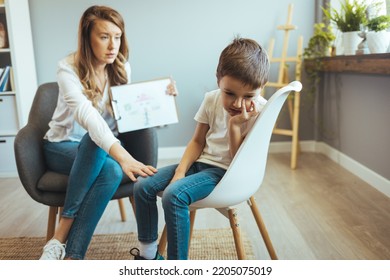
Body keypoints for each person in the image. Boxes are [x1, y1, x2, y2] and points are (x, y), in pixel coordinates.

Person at [39, 5, 176, 260]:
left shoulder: (121, 68)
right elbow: (88, 117)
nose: (113, 45)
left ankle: (70, 254)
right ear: (87, 38)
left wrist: (162, 99)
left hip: (101, 151)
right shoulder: (67, 69)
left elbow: (131, 112)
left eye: (117, 36)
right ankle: (61, 235)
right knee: (98, 143)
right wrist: (124, 156)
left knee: (110, 167)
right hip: (61, 145)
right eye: (104, 37)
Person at [131, 37, 270, 260]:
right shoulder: (211, 99)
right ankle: (148, 256)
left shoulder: (261, 111)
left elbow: (238, 164)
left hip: (226, 174)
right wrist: (179, 172)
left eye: (248, 96)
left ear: (261, 89)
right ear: (218, 81)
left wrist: (235, 127)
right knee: (142, 186)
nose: (238, 104)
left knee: (173, 196)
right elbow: (197, 141)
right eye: (230, 93)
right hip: (200, 164)